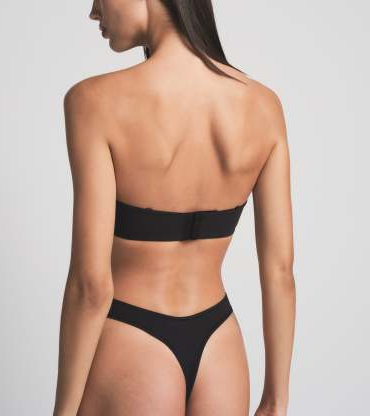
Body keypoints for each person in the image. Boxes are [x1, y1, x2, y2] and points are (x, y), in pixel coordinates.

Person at [53, 1, 296, 415]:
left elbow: (91, 287)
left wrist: (63, 411)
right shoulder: (264, 106)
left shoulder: (92, 102)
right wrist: (276, 397)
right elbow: (280, 271)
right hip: (221, 347)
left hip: (132, 342)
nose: (93, 11)